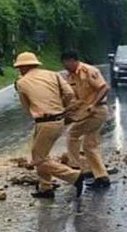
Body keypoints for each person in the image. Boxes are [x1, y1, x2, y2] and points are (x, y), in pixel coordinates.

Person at [13, 52, 91, 199]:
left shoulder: (22, 82)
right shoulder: (52, 75)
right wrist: (62, 107)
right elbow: (69, 93)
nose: (20, 70)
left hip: (44, 122)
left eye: (20, 67)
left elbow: (26, 106)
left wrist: (36, 113)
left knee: (39, 160)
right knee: (40, 153)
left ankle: (74, 176)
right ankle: (45, 187)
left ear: (24, 66)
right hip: (59, 120)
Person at [61, 50, 111, 189]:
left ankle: (76, 168)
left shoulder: (89, 70)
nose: (66, 67)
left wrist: (93, 104)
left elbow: (104, 87)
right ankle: (101, 176)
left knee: (72, 135)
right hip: (86, 112)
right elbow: (76, 99)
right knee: (90, 145)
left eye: (67, 64)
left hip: (97, 111)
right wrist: (67, 113)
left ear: (73, 61)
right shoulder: (70, 77)